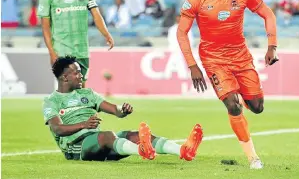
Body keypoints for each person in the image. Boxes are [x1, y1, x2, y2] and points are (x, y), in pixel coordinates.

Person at [177, 0, 279, 169]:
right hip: (213, 59)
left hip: (240, 56)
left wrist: (272, 46)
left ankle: (241, 98)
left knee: (258, 107)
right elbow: (181, 33)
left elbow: (268, 14)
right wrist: (193, 65)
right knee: (232, 106)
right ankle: (253, 157)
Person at [43, 56, 203, 161]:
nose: (81, 76)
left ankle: (183, 150)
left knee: (133, 134)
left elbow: (114, 110)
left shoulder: (87, 93)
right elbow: (57, 128)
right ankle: (142, 150)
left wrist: (123, 110)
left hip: (98, 141)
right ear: (64, 77)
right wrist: (83, 125)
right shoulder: (52, 101)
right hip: (77, 147)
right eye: (77, 73)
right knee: (107, 136)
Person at [37, 0, 114, 87]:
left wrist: (106, 34)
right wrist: (52, 52)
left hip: (82, 50)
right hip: (61, 50)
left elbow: (96, 15)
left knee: (81, 91)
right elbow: (45, 27)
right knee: (67, 89)